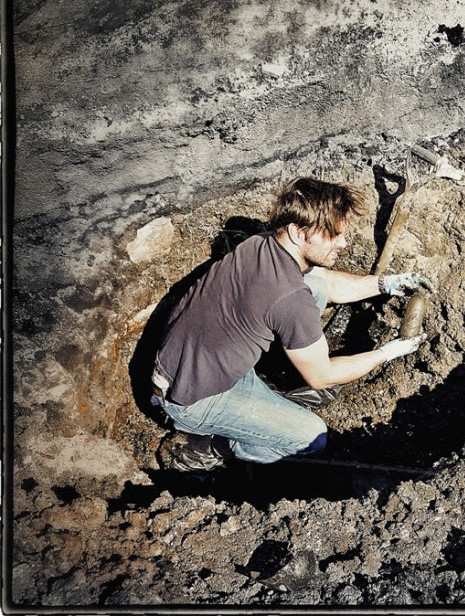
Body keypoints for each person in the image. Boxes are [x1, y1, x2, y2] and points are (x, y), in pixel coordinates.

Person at [152, 177, 432, 472]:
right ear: (298, 232)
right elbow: (322, 377)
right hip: (192, 400)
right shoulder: (289, 300)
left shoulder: (259, 245)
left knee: (317, 288)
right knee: (311, 437)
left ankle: (268, 392)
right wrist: (385, 353)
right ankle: (209, 448)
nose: (343, 243)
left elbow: (327, 283)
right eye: (333, 235)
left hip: (184, 364)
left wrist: (386, 284)